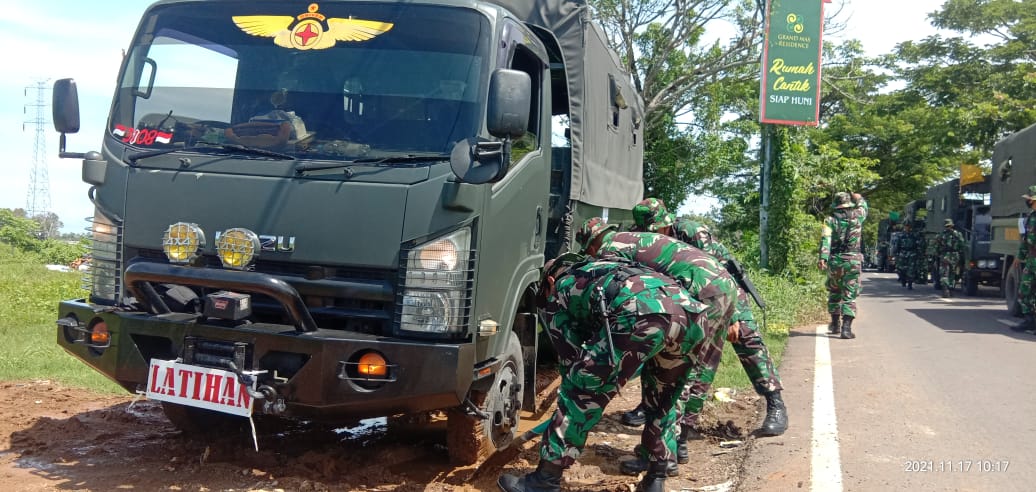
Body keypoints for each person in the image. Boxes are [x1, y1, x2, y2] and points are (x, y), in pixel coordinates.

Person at [497, 253, 720, 492]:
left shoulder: (561, 288)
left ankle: (545, 480)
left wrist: (589, 381)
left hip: (642, 313)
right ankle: (656, 478)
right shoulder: (606, 268)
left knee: (580, 392)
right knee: (663, 398)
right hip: (693, 316)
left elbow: (571, 362)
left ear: (549, 281)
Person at [575, 217, 740, 476]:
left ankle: (664, 456)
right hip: (722, 285)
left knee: (669, 371)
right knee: (695, 368)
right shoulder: (632, 239)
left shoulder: (609, 251)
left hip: (699, 288)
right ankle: (677, 445)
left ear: (591, 245)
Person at [619, 198, 787, 446]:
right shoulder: (642, 237)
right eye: (649, 231)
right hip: (685, 294)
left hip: (723, 288)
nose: (656, 235)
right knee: (663, 347)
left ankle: (775, 402)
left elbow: (721, 272)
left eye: (658, 230)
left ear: (667, 222)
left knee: (747, 339)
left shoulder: (691, 232)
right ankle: (650, 406)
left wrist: (734, 316)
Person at [819, 192, 868, 339]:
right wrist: (858, 197)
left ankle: (835, 324)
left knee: (834, 291)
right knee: (849, 294)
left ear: (835, 205)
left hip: (836, 260)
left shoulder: (829, 220)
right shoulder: (858, 215)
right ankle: (846, 329)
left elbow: (825, 240)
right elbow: (863, 205)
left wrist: (823, 258)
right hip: (853, 260)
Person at [1011, 186, 1036, 332]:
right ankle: (1029, 320)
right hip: (1031, 260)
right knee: (1024, 291)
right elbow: (1025, 240)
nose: (1027, 201)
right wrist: (1019, 257)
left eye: (1028, 199)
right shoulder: (1030, 217)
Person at [934, 218, 965, 297]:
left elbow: (937, 246)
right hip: (953, 255)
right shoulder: (958, 234)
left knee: (948, 273)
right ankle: (948, 289)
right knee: (950, 273)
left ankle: (948, 289)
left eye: (949, 226)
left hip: (947, 255)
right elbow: (962, 245)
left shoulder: (942, 234)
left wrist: (937, 253)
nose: (948, 228)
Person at [894, 221, 920, 290]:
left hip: (911, 253)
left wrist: (917, 253)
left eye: (908, 226)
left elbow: (917, 245)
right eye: (906, 226)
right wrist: (896, 253)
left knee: (911, 269)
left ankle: (910, 283)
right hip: (903, 253)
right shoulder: (901, 235)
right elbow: (897, 245)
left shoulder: (914, 235)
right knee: (901, 268)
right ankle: (903, 279)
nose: (907, 227)